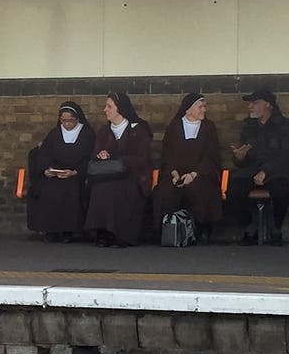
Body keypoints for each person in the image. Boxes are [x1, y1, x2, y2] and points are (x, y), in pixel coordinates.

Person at [84, 93, 153, 247]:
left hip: (133, 174)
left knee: (119, 189)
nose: (105, 110)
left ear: (120, 109)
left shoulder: (139, 130)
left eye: (109, 106)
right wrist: (101, 155)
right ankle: (103, 232)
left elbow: (142, 158)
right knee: (100, 188)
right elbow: (95, 153)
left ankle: (122, 234)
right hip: (109, 173)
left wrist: (119, 160)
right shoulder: (103, 131)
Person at [153, 93, 222, 244]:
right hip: (175, 174)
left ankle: (202, 228)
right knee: (165, 191)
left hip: (200, 174)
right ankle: (166, 229)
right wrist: (174, 173)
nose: (204, 110)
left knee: (198, 189)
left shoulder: (208, 127)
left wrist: (194, 174)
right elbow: (167, 154)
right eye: (200, 107)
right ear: (188, 109)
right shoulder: (174, 127)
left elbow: (211, 155)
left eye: (204, 107)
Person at [227, 89, 289, 246]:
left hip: (276, 170)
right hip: (251, 169)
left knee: (281, 189)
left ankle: (276, 227)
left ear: (267, 105)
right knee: (234, 189)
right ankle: (250, 225)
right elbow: (243, 158)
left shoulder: (284, 126)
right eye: (249, 103)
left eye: (255, 103)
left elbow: (285, 156)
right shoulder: (248, 126)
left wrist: (266, 171)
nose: (250, 107)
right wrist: (239, 157)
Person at [28, 101, 95, 243]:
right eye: (63, 120)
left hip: (76, 175)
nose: (66, 124)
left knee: (71, 189)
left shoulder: (87, 134)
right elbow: (44, 155)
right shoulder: (54, 133)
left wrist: (75, 172)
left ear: (78, 119)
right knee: (49, 189)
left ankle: (68, 231)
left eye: (70, 121)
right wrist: (47, 170)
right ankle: (50, 230)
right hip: (55, 174)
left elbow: (90, 158)